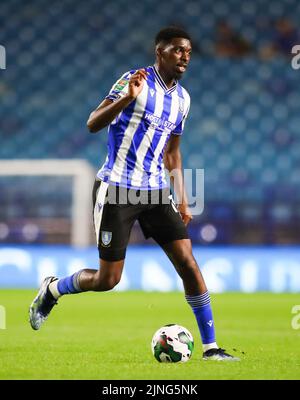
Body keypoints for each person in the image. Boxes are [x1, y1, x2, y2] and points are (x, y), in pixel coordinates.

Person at [29, 26, 239, 361]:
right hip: (117, 188)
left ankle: (212, 348)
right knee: (108, 279)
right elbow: (93, 122)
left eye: (188, 51)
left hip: (154, 191)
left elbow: (173, 152)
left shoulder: (183, 100)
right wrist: (127, 97)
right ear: (159, 52)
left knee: (188, 261)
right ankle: (53, 289)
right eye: (176, 50)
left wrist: (182, 197)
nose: (184, 56)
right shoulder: (134, 80)